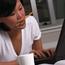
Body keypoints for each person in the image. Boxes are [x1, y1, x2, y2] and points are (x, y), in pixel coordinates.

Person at [0, 0, 55, 65]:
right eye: (12, 14)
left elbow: (38, 59)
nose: (20, 16)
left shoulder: (31, 23)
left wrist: (44, 54)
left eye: (20, 8)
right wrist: (21, 61)